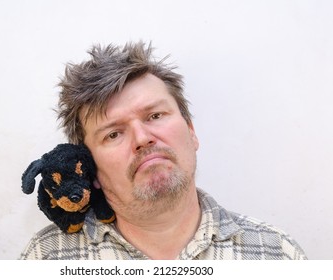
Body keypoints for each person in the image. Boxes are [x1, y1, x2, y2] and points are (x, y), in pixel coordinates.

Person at [20, 41, 307, 260]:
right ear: (89, 165)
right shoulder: (45, 257)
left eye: (155, 116)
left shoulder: (278, 254)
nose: (143, 138)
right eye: (114, 133)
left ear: (191, 132)